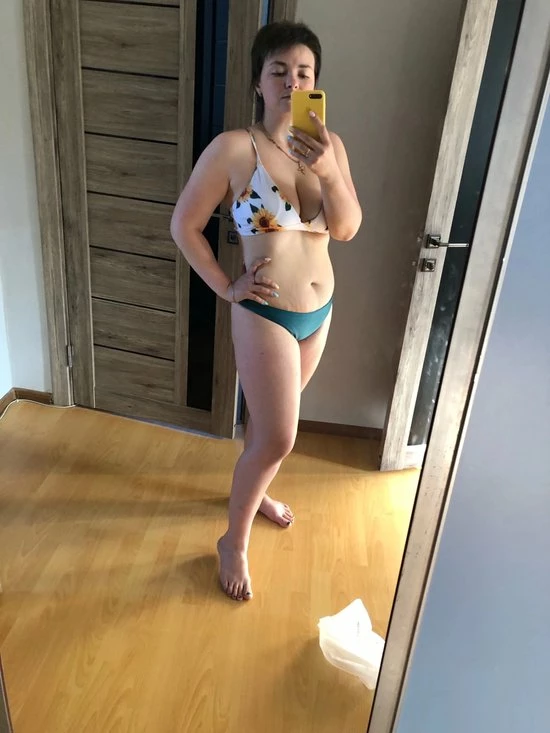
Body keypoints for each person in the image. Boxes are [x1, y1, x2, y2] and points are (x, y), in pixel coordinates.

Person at [170, 21, 362, 602]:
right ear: (258, 81)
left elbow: (347, 228)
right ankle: (233, 540)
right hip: (266, 313)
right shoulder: (235, 148)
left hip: (319, 310)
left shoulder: (330, 147)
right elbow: (185, 226)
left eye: (303, 72)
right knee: (278, 437)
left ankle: (255, 494)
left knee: (266, 429)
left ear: (315, 82)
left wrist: (329, 171)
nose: (291, 82)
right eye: (279, 71)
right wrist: (227, 287)